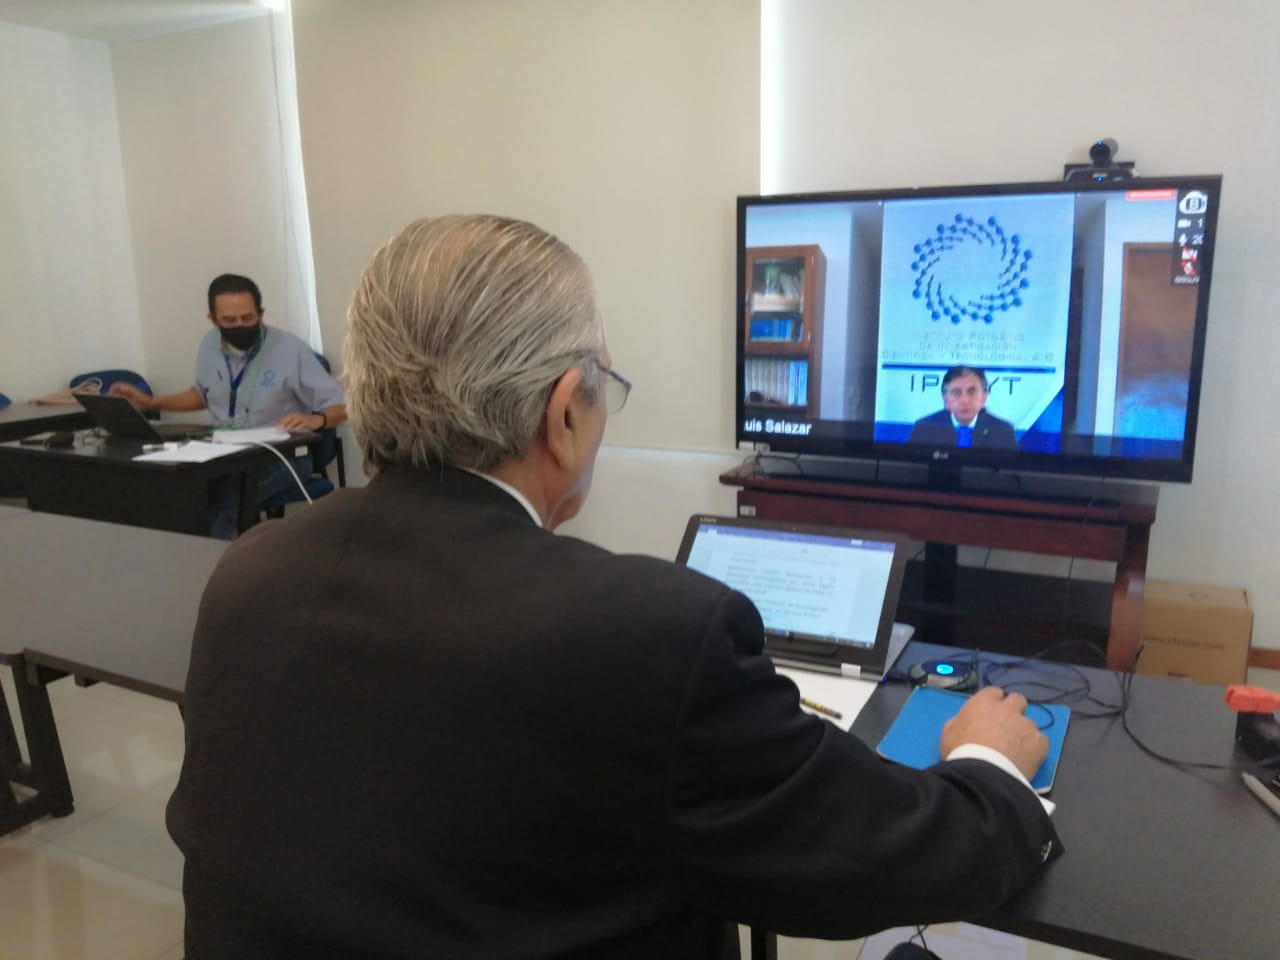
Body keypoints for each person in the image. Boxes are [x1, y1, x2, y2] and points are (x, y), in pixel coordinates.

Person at [167, 216, 1060, 959]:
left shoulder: (251, 571)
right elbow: (887, 861)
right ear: (564, 412)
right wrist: (987, 762)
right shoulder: (649, 633)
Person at [111, 273, 346, 537]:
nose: (240, 326)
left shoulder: (291, 351)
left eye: (248, 318)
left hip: (281, 460)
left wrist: (317, 420)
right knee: (175, 495)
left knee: (222, 506)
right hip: (224, 456)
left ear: (261, 314)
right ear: (213, 319)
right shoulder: (209, 346)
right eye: (229, 321)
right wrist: (152, 403)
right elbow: (202, 395)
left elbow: (342, 407)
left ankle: (213, 561)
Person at [907, 365, 1018, 449]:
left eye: (972, 392)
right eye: (956, 392)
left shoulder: (1003, 430)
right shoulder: (925, 427)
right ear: (945, 399)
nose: (964, 400)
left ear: (984, 398)